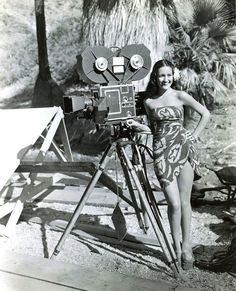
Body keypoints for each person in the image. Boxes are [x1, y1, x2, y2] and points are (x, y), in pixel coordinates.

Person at [127, 59, 210, 270]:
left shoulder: (180, 95)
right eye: (161, 75)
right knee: (173, 204)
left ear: (173, 75)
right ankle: (174, 245)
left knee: (184, 202)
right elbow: (154, 130)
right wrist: (138, 125)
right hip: (162, 154)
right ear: (155, 77)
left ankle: (186, 247)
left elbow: (205, 114)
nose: (165, 79)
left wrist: (194, 135)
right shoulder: (149, 102)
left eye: (168, 75)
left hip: (183, 150)